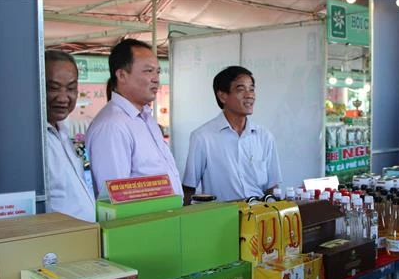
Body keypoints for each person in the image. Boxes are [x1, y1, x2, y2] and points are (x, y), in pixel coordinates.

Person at [85, 39, 183, 198]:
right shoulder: (112, 126)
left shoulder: (145, 119)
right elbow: (115, 198)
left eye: (158, 72)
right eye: (148, 71)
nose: (156, 79)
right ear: (122, 75)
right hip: (142, 222)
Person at [182, 66, 282, 203]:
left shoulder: (265, 137)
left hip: (259, 216)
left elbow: (272, 187)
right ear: (223, 96)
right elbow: (189, 188)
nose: (249, 95)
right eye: (241, 90)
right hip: (222, 218)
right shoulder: (202, 137)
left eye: (252, 89)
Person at [44, 50, 96, 222]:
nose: (63, 97)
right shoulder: (33, 140)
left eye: (71, 88)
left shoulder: (63, 132)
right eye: (53, 88)